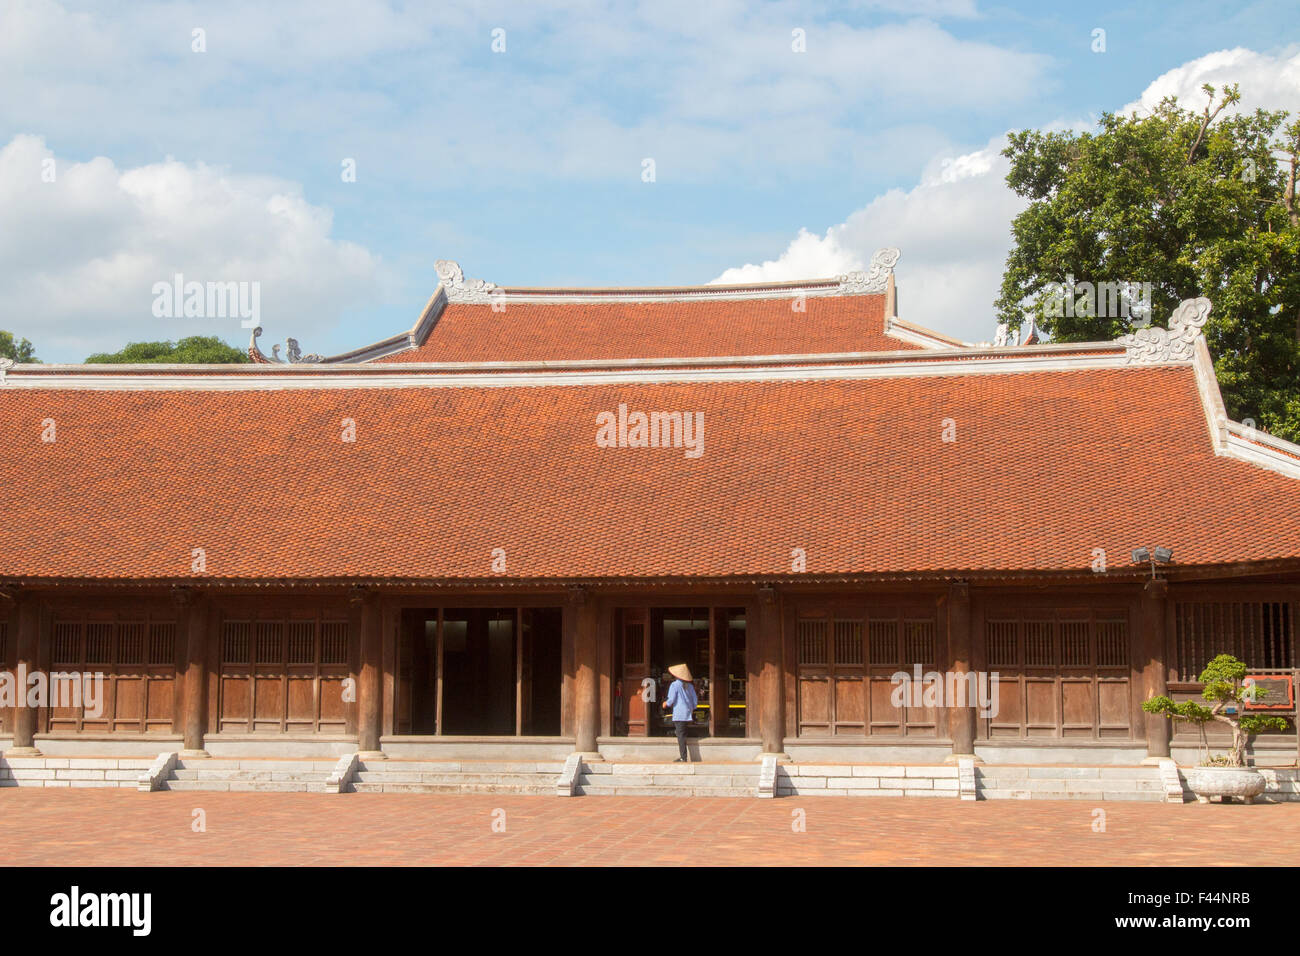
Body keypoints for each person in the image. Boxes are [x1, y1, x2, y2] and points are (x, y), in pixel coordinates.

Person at [662, 663, 697, 762]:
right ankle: (683, 756)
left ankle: (683, 757)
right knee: (683, 732)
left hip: (679, 713)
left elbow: (671, 700)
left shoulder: (675, 685)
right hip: (687, 713)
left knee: (680, 735)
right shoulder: (690, 686)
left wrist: (665, 704)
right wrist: (692, 708)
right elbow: (695, 701)